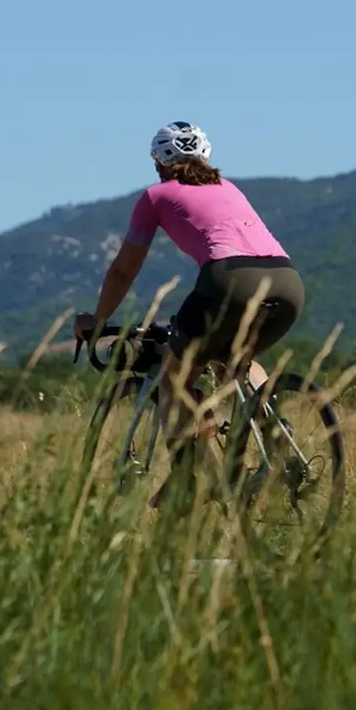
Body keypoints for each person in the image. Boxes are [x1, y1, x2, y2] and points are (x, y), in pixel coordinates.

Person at [73, 121, 306, 464]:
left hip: (230, 280)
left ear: (159, 162)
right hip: (288, 282)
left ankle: (186, 486)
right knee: (235, 360)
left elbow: (124, 269)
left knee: (172, 380)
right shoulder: (230, 188)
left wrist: (98, 318)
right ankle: (280, 443)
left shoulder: (156, 196)